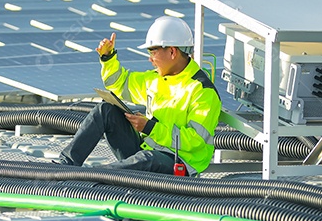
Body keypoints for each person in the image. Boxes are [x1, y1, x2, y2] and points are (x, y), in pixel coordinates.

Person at [55, 16, 222, 175]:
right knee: (105, 110)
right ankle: (66, 164)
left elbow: (195, 141)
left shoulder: (203, 91)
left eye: (153, 52)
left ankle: (93, 175)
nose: (150, 59)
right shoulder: (155, 79)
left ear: (172, 52)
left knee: (147, 159)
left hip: (179, 162)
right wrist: (108, 58)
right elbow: (118, 83)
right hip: (146, 151)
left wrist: (150, 128)